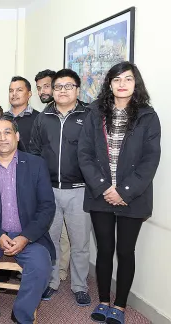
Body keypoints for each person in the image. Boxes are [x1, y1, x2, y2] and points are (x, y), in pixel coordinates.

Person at [78, 62, 161, 324]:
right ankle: (103, 301)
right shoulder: (95, 113)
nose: (122, 84)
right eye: (116, 79)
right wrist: (104, 188)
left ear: (136, 83)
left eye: (128, 79)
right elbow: (85, 154)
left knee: (125, 251)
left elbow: (150, 159)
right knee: (104, 249)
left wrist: (123, 191)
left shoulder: (147, 116)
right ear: (109, 84)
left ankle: (121, 306)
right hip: (100, 194)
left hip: (132, 197)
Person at [0, 115, 55, 324]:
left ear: (17, 135)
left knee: (41, 267)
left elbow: (47, 206)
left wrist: (26, 237)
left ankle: (22, 314)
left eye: (7, 132)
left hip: (29, 235)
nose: (2, 137)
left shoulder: (36, 165)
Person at [29, 69, 92, 305]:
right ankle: (51, 282)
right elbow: (34, 152)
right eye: (58, 87)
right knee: (49, 239)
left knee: (80, 243)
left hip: (80, 189)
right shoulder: (43, 118)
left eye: (68, 86)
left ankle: (80, 286)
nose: (62, 91)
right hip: (49, 190)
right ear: (52, 91)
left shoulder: (89, 116)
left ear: (77, 89)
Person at [35, 69, 70, 281]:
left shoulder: (80, 114)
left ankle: (62, 274)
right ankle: (53, 275)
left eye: (47, 86)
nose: (44, 90)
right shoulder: (44, 115)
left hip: (72, 185)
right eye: (40, 87)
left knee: (66, 235)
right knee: (52, 232)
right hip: (46, 181)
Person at [5, 76, 39, 152]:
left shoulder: (39, 118)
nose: (14, 94)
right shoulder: (2, 118)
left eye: (19, 90)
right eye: (11, 91)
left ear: (29, 94)